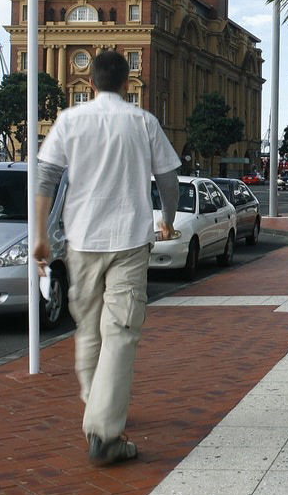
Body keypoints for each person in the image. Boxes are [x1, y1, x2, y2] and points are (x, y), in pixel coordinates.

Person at [33, 50, 181, 465]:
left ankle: (96, 405)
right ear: (127, 82)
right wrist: (166, 220)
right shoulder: (144, 122)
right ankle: (103, 430)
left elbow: (46, 177)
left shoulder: (70, 120)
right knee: (121, 331)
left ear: (92, 83)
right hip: (131, 239)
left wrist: (40, 236)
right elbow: (167, 179)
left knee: (89, 331)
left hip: (81, 239)